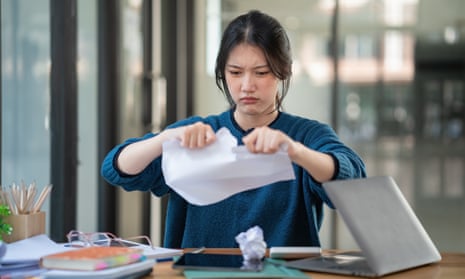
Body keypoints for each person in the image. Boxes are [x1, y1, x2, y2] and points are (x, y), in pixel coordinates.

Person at [101, 10, 366, 248]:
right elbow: (116, 169)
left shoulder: (307, 135)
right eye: (236, 72)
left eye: (261, 73)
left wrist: (295, 152)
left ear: (283, 72)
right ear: (223, 73)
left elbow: (353, 182)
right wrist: (166, 138)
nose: (247, 85)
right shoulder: (198, 132)